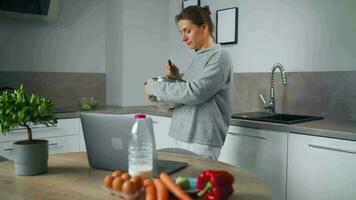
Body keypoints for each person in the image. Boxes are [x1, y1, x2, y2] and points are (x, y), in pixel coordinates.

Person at [144, 5, 233, 160]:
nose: (183, 38)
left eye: (187, 31)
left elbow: (195, 93)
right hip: (178, 136)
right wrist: (176, 78)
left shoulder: (219, 57)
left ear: (204, 27)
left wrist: (154, 86)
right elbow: (184, 97)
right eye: (181, 32)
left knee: (197, 185)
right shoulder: (199, 58)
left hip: (201, 142)